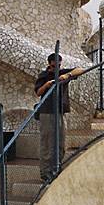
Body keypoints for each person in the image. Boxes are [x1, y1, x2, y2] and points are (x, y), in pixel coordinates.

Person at [34, 53, 84, 182]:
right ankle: (45, 172)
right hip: (47, 111)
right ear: (50, 64)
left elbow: (81, 70)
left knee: (60, 142)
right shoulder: (43, 76)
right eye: (54, 65)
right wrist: (47, 85)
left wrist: (67, 76)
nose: (57, 67)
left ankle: (56, 168)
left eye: (59, 65)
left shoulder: (62, 73)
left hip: (59, 111)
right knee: (47, 143)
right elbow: (38, 92)